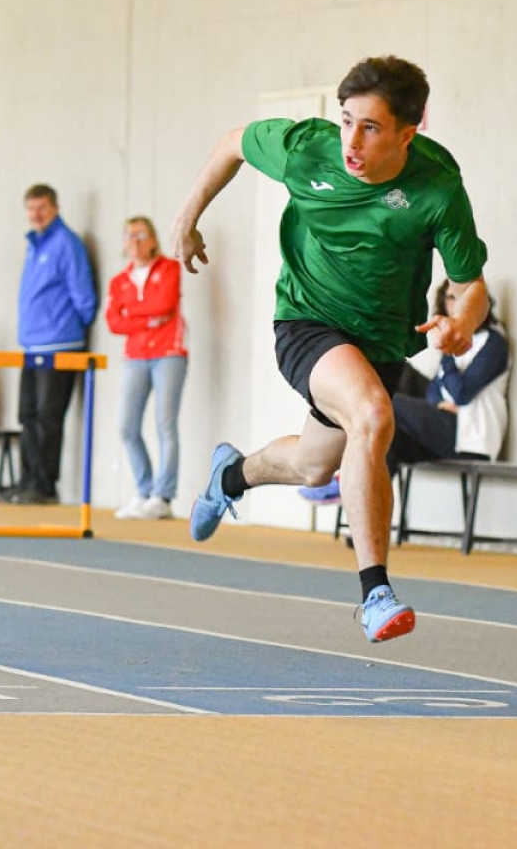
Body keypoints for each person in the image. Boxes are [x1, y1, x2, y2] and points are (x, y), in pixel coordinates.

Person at [169, 55, 490, 643]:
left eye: (370, 128)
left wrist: (459, 323)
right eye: (345, 121)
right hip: (307, 321)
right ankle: (376, 593)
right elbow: (233, 143)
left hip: (381, 340)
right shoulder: (306, 149)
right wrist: (187, 219)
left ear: (407, 133)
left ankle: (231, 476)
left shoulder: (437, 186)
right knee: (372, 414)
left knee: (315, 462)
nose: (351, 141)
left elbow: (471, 287)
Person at [300, 280, 510, 504]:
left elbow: (460, 393)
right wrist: (440, 402)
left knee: (384, 405)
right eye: (450, 297)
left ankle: (344, 479)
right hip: (445, 429)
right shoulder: (458, 343)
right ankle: (360, 518)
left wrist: (448, 351)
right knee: (389, 440)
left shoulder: (493, 342)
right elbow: (434, 394)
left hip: (470, 439)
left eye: (463, 297)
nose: (456, 303)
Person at [13, 184, 97, 505]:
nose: (36, 214)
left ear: (55, 208)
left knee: (49, 419)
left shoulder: (66, 243)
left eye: (42, 208)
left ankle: (45, 486)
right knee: (28, 416)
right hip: (32, 346)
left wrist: (67, 327)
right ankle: (28, 481)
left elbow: (84, 298)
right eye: (31, 208)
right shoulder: (34, 244)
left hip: (60, 344)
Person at [106, 216, 187, 520]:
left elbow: (164, 307)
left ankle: (163, 495)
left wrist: (133, 316)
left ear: (153, 239)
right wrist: (145, 320)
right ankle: (143, 489)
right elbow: (114, 321)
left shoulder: (169, 268)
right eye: (129, 235)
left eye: (141, 235)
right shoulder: (119, 281)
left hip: (168, 352)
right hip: (135, 355)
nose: (135, 241)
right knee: (127, 426)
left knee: (165, 423)